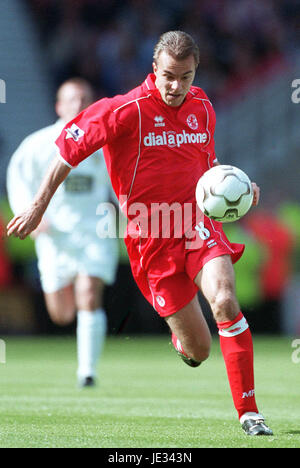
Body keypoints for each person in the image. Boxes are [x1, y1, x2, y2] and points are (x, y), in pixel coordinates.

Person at [7, 31, 272, 435]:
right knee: (199, 350)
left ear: (195, 72)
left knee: (224, 301)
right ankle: (184, 343)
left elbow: (208, 169)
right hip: (151, 241)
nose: (176, 86)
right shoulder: (122, 110)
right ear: (154, 69)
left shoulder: (202, 105)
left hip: (198, 225)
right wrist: (38, 204)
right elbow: (65, 152)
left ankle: (250, 414)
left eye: (186, 77)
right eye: (169, 76)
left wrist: (236, 190)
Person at [6, 78, 118, 387]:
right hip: (55, 236)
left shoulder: (105, 142)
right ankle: (80, 341)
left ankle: (87, 372)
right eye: (73, 100)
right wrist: (28, 215)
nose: (79, 105)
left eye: (85, 99)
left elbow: (119, 181)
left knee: (89, 294)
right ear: (59, 106)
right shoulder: (39, 144)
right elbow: (17, 178)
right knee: (62, 314)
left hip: (95, 232)